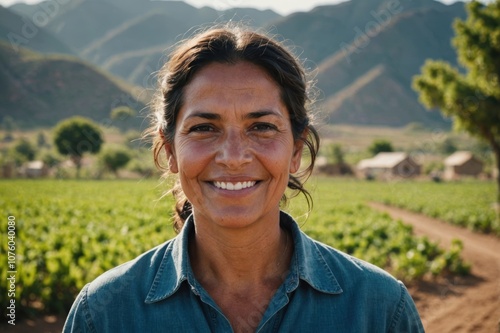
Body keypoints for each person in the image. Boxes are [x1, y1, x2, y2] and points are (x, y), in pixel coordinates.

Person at [63, 25, 424, 333]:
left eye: (262, 127)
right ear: (169, 150)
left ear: (296, 150)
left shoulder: (378, 310)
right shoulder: (105, 314)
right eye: (204, 128)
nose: (234, 157)